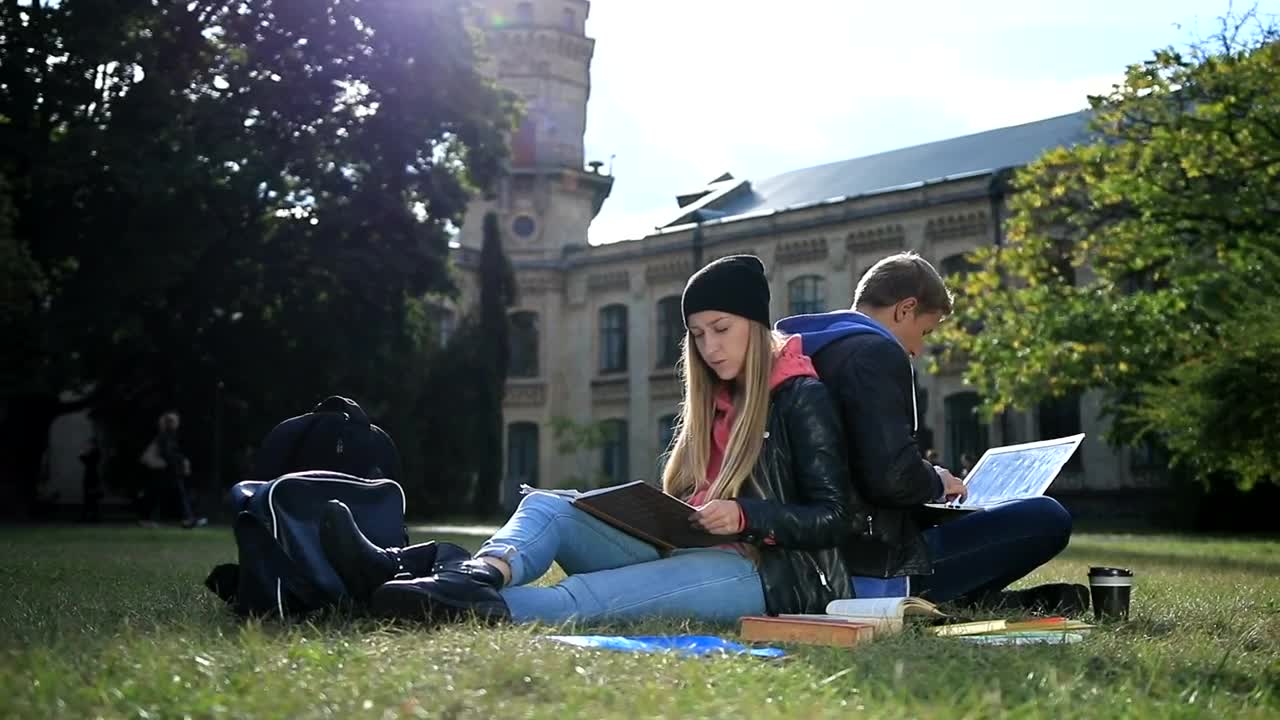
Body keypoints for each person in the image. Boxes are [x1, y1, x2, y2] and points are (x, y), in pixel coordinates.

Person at [320, 254, 855, 624]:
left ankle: (416, 591)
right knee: (550, 507)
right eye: (696, 333)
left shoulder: (801, 396)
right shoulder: (715, 398)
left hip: (765, 576)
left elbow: (836, 517)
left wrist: (747, 516)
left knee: (579, 598)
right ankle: (464, 574)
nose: (709, 346)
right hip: (685, 548)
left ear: (755, 325)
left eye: (721, 328)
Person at [776, 252, 1086, 612]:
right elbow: (888, 478)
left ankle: (984, 602)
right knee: (1046, 517)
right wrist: (937, 482)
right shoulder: (875, 352)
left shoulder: (802, 350)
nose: (917, 349)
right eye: (924, 332)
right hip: (873, 565)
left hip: (813, 554)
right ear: (905, 308)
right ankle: (939, 600)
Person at [139, 411, 207, 529]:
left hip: (166, 472)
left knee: (161, 495)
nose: (177, 424)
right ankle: (187, 519)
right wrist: (181, 462)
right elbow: (168, 454)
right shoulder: (165, 437)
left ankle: (148, 519)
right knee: (174, 495)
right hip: (166, 472)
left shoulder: (167, 437)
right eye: (175, 421)